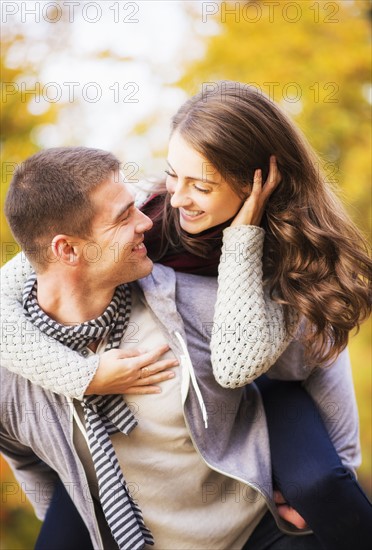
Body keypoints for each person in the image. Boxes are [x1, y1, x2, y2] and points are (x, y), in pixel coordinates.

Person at [1, 78, 371, 547]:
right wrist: (83, 376)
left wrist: (338, 466)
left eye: (201, 185)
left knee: (321, 484)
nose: (176, 198)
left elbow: (304, 356)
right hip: (208, 353)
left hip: (265, 372)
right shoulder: (156, 215)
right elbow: (26, 282)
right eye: (174, 173)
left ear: (254, 184)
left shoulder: (292, 253)